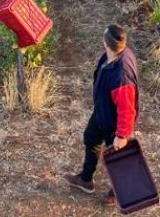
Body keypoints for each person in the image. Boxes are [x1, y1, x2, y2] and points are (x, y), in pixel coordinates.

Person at [63, 24, 139, 207]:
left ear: (106, 44)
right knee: (90, 138)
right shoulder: (114, 55)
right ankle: (86, 179)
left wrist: (121, 135)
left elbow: (127, 109)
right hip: (102, 113)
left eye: (103, 37)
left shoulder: (122, 76)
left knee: (118, 158)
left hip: (115, 124)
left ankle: (117, 192)